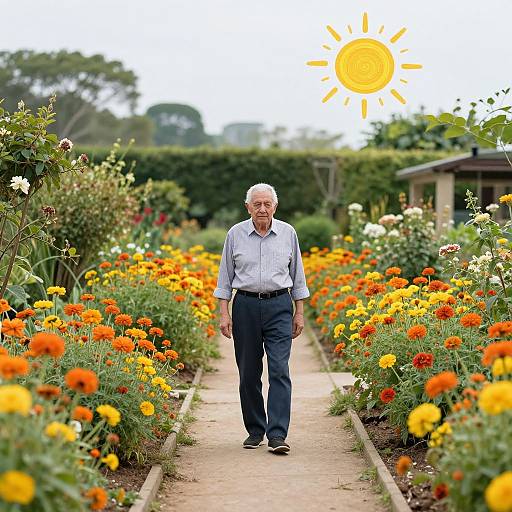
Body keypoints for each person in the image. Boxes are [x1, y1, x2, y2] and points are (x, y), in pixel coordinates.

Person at [213, 183, 309, 454]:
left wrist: (299, 312)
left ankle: (277, 434)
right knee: (249, 373)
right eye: (257, 204)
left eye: (267, 204)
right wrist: (224, 313)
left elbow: (298, 276)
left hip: (280, 305)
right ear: (248, 208)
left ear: (275, 207)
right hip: (245, 306)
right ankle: (255, 430)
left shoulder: (288, 233)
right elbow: (225, 278)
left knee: (280, 369)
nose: (263, 209)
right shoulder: (235, 234)